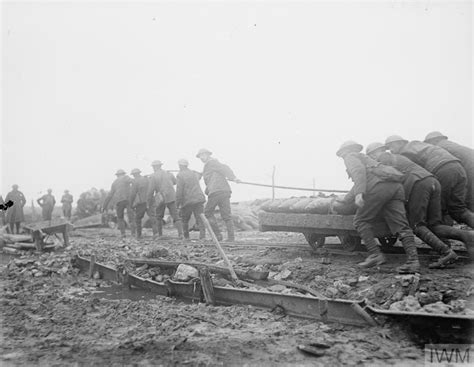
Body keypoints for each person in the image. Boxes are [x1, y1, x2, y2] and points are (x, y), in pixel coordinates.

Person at [365, 142, 470, 268]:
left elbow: (388, 180)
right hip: (432, 181)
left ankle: (446, 253)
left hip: (418, 184)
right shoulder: (398, 158)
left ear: (375, 152)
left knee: (416, 225)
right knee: (434, 225)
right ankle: (467, 236)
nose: (372, 159)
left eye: (371, 155)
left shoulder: (383, 158)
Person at [335, 141, 420, 273]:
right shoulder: (367, 160)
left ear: (344, 152)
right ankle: (413, 261)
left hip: (378, 187)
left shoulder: (350, 156)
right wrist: (347, 198)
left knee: (360, 220)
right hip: (395, 187)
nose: (342, 158)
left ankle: (375, 255)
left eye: (341, 155)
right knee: (401, 225)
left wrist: (359, 194)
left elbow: (359, 173)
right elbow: (363, 178)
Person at [385, 135, 474, 228]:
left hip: (442, 169)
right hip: (458, 168)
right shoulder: (419, 145)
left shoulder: (405, 152)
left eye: (391, 146)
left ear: (400, 143)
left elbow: (418, 174)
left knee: (438, 208)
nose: (391, 150)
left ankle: (444, 239)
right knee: (458, 209)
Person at [196, 148, 240, 242]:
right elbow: (210, 175)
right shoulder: (209, 165)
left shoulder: (212, 162)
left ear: (208, 155)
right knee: (226, 215)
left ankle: (218, 236)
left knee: (207, 213)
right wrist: (200, 174)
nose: (201, 158)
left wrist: (233, 177)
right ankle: (231, 238)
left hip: (216, 191)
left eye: (203, 155)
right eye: (200, 156)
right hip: (224, 191)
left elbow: (225, 168)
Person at [424, 131, 474, 212]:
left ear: (433, 140)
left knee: (470, 197)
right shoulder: (451, 144)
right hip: (469, 165)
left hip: (470, 168)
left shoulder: (440, 147)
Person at [147, 160, 183, 239]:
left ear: (154, 167)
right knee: (176, 216)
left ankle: (160, 235)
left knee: (158, 217)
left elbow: (150, 190)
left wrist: (148, 201)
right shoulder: (168, 173)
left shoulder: (153, 176)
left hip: (161, 198)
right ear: (160, 166)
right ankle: (181, 235)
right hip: (171, 196)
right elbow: (175, 182)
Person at [176, 158, 206, 240]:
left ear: (180, 166)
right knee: (200, 218)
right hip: (199, 199)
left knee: (184, 220)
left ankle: (186, 237)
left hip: (188, 201)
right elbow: (199, 176)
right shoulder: (193, 173)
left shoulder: (180, 175)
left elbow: (179, 191)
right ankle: (203, 237)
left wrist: (177, 204)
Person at [102, 169, 136, 238]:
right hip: (128, 200)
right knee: (131, 217)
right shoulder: (126, 177)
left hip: (119, 201)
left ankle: (123, 234)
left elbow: (110, 195)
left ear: (117, 175)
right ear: (123, 174)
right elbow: (134, 182)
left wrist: (104, 206)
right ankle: (133, 234)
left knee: (120, 218)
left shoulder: (114, 182)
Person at [129, 168, 150, 239]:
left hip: (141, 202)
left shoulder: (135, 181)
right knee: (153, 217)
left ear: (134, 174)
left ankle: (139, 235)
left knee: (137, 219)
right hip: (149, 200)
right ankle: (157, 234)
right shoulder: (146, 179)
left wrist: (131, 204)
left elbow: (132, 194)